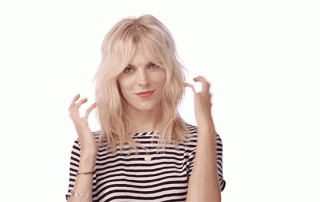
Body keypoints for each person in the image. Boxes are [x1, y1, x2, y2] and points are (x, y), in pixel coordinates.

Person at [66, 14, 226, 202]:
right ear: (115, 78)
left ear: (168, 71)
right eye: (129, 69)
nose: (143, 81)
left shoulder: (201, 140)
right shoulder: (86, 146)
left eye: (153, 65)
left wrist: (206, 125)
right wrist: (88, 154)